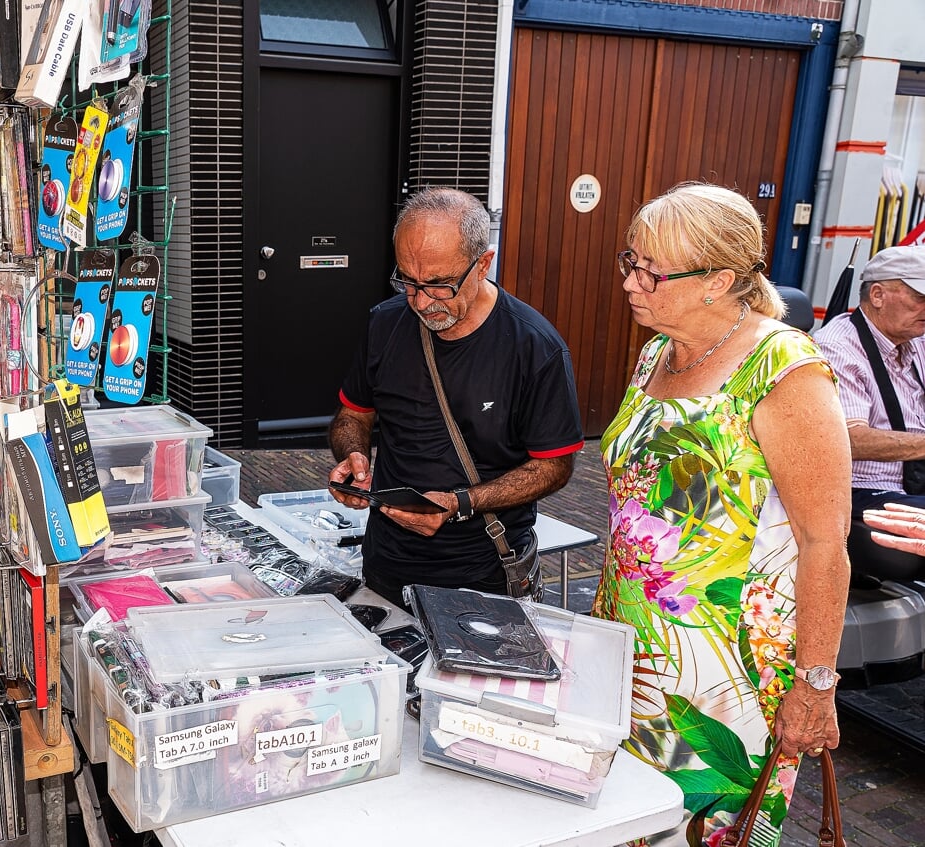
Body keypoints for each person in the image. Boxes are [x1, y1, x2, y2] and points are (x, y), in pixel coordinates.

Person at [594, 182, 850, 846]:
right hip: (633, 645)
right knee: (622, 822)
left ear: (719, 281)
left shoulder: (782, 369)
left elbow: (824, 541)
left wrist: (814, 684)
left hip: (719, 670)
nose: (629, 281)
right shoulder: (656, 354)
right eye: (629, 260)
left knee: (694, 828)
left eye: (650, 269)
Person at [327, 187, 584, 608]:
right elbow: (353, 415)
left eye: (439, 285)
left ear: (483, 263)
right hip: (385, 565)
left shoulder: (534, 347)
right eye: (407, 281)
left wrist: (461, 503)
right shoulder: (385, 323)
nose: (421, 302)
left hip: (483, 575)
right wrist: (354, 459)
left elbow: (553, 467)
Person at [814, 246, 925, 520]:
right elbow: (848, 439)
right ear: (877, 295)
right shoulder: (837, 347)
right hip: (862, 489)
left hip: (913, 485)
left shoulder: (916, 340)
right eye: (920, 297)